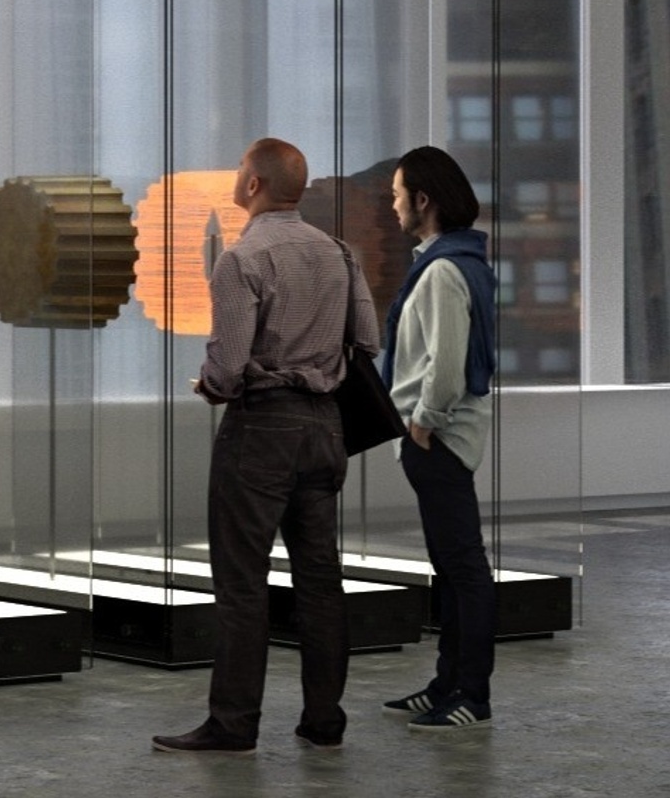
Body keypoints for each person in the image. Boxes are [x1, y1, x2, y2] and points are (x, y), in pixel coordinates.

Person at [152, 137, 378, 755]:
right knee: (320, 578)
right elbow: (367, 336)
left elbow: (226, 367)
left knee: (243, 583)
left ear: (253, 186)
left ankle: (233, 723)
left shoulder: (241, 258)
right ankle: (324, 720)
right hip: (326, 427)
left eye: (240, 171)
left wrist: (214, 385)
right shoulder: (339, 252)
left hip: (262, 431)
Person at [381, 145, 497, 731]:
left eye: (399, 194)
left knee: (464, 568)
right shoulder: (456, 260)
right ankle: (448, 683)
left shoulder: (444, 270)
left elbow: (446, 365)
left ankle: (471, 695)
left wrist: (422, 422)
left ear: (423, 201)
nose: (394, 204)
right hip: (440, 440)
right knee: (452, 569)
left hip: (439, 440)